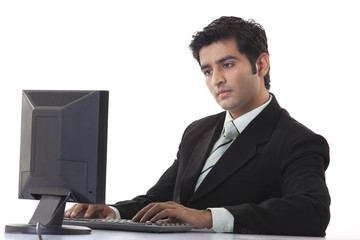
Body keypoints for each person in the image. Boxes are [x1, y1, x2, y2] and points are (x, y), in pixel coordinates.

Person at [65, 16, 331, 236]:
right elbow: (159, 200)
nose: (216, 80)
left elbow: (311, 211)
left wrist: (206, 218)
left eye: (227, 64)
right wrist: (112, 212)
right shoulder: (198, 131)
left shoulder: (298, 141)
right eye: (207, 71)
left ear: (260, 64)